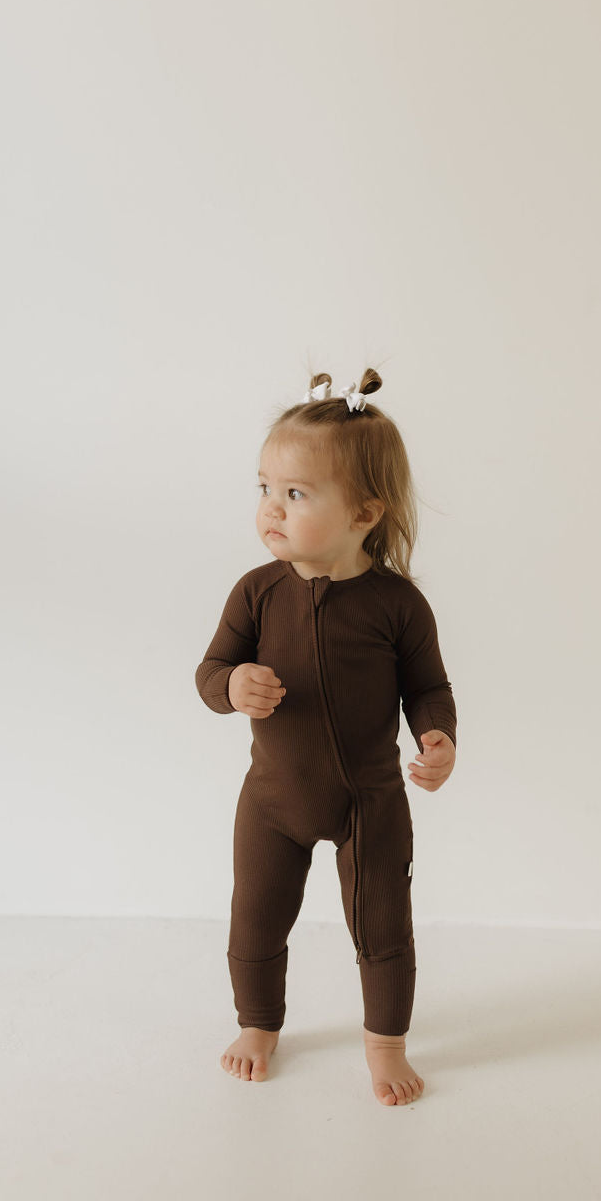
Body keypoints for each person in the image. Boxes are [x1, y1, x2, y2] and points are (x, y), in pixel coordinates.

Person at [194, 366, 457, 1106]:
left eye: (296, 494)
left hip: (368, 804)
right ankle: (258, 1024)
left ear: (365, 512)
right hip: (274, 801)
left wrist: (437, 738)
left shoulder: (397, 606)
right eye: (264, 489)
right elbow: (210, 670)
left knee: (383, 930)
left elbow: (428, 689)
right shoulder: (257, 590)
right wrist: (232, 684)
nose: (271, 510)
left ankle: (385, 1045)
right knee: (255, 918)